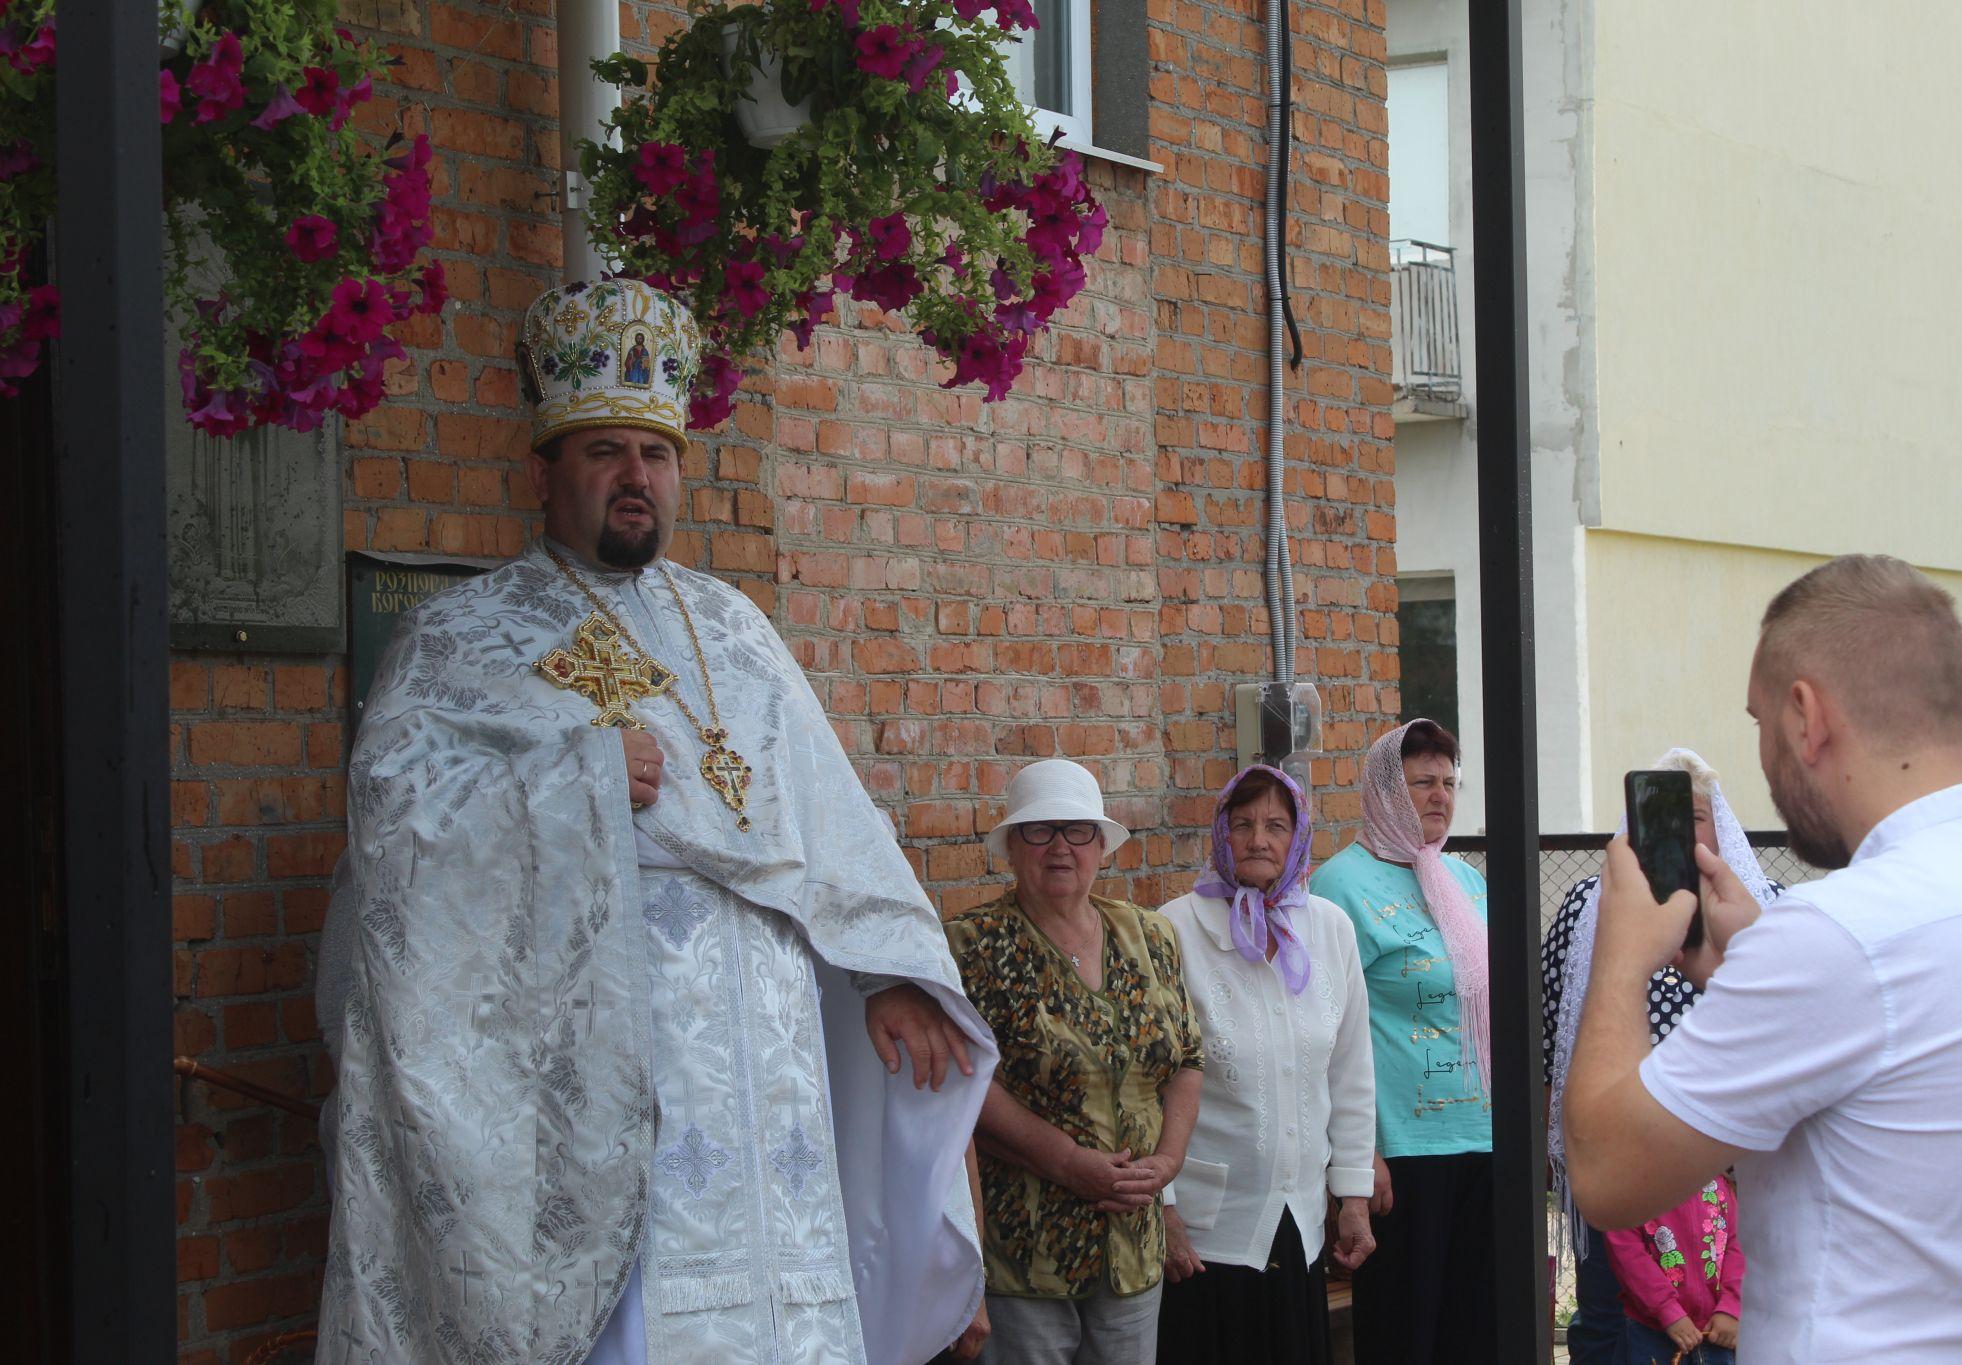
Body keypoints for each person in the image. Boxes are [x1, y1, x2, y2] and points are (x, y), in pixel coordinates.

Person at [314, 278, 996, 1365]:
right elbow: (396, 839)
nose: (637, 478)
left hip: (767, 1075)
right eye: (604, 453)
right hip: (603, 1081)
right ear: (544, 472)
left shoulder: (734, 628)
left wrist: (889, 970)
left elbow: (831, 819)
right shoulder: (463, 637)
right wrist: (578, 778)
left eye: (656, 455)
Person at [1565, 554, 1962, 1361]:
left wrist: (1619, 952)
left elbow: (1608, 1173)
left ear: (1805, 716)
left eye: (1757, 723)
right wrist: (1751, 961)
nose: (1762, 757)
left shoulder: (1837, 934)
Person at [945, 759, 1205, 1365]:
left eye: (1077, 830)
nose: (1060, 846)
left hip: (1133, 1245)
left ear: (1101, 845)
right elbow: (965, 1083)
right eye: (1040, 830)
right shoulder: (971, 944)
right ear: (1012, 845)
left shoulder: (1149, 935)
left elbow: (1188, 1058)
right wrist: (1067, 1162)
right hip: (1026, 1251)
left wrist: (1167, 1163)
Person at [1541, 748, 1778, 1362]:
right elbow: (1548, 1037)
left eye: (1697, 817)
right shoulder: (1590, 906)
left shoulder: (1764, 907)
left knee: (1719, 1327)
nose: (1680, 831)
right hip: (1620, 1150)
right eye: (1660, 817)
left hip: (1723, 1167)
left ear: (1721, 827)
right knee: (1611, 1320)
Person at [1154, 764, 1378, 1365]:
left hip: (1300, 1221)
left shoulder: (1329, 929)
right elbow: (1150, 1084)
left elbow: (1351, 1072)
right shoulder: (1173, 930)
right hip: (1206, 1233)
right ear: (1219, 833)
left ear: (1298, 835)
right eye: (1243, 823)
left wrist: (1352, 1196)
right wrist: (1163, 1208)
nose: (1259, 839)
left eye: (1277, 825)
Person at [1309, 719, 1492, 1364]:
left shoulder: (1468, 883)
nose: (1440, 795)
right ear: (1386, 788)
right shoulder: (1339, 888)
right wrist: (1361, 1158)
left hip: (1485, 1141)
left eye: (1448, 782)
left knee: (1479, 1334)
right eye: (1422, 782)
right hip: (1402, 1154)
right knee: (1406, 1336)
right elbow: (1327, 1036)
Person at [1604, 1176, 1743, 1364]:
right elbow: (1628, 1255)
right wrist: (1667, 1310)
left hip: (1717, 1332)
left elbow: (1739, 1246)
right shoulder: (1632, 1188)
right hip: (1653, 1332)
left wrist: (1731, 1307)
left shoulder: (1719, 1184)